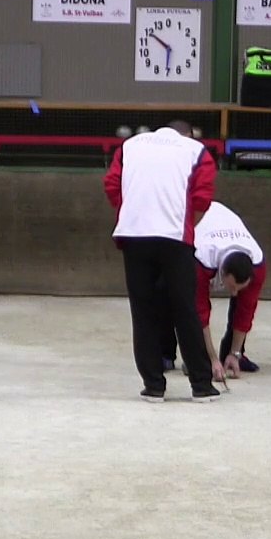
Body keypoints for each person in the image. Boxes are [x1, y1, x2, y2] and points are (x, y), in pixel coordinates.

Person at [104, 119, 222, 403]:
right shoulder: (196, 151)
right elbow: (202, 198)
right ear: (189, 135)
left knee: (142, 312)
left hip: (133, 235)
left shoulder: (130, 145)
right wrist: (184, 222)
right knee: (185, 309)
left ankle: (153, 385)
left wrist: (133, 212)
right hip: (174, 237)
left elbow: (111, 185)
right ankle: (201, 385)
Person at [161, 201, 268, 379]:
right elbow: (199, 313)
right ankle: (167, 354)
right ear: (222, 272)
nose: (234, 293)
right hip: (185, 223)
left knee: (241, 306)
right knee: (170, 292)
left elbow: (246, 312)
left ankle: (233, 356)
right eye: (232, 287)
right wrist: (210, 359)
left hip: (222, 222)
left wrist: (235, 353)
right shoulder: (202, 261)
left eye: (239, 288)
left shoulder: (257, 265)